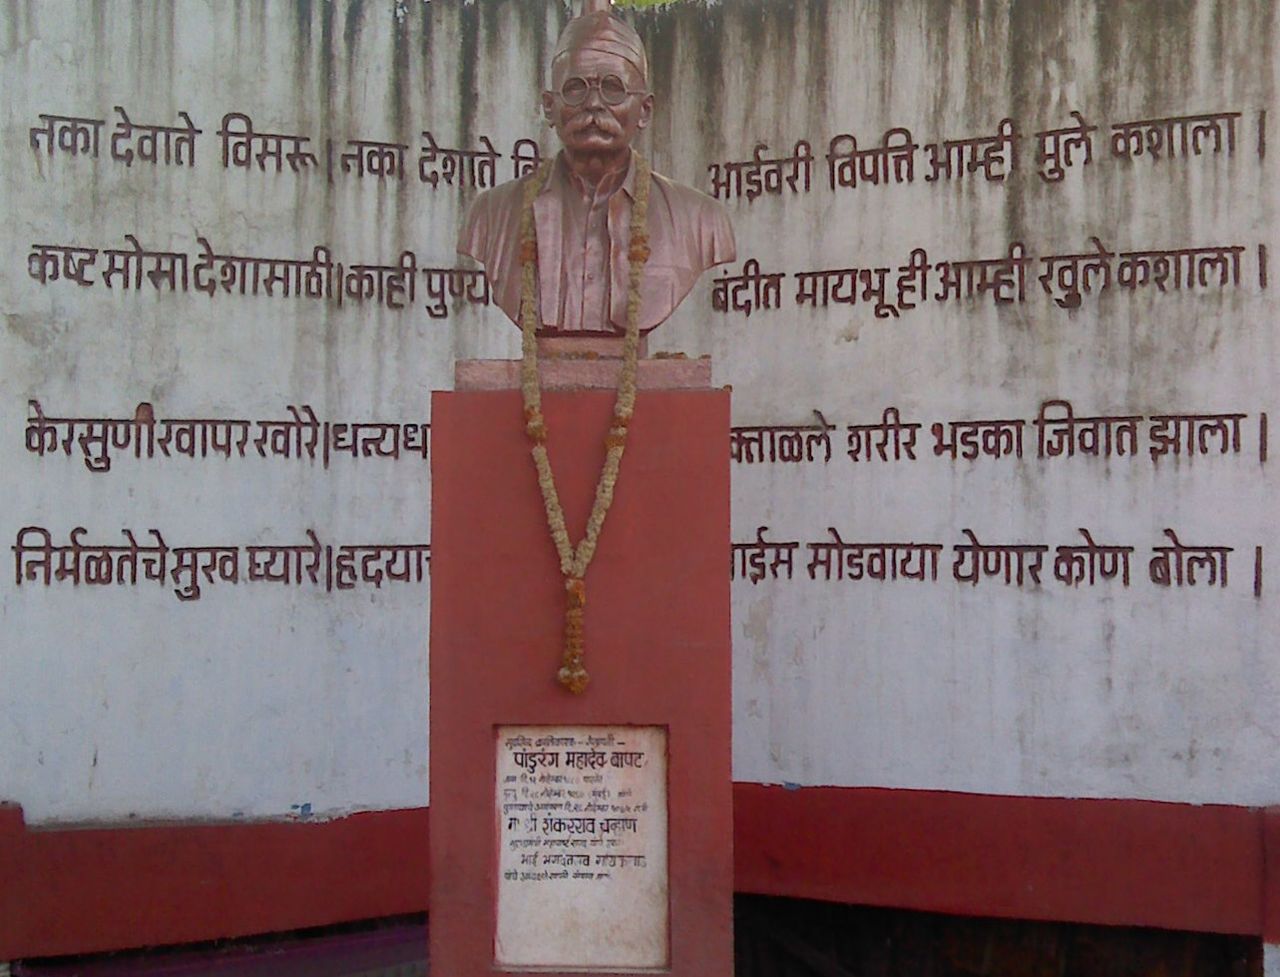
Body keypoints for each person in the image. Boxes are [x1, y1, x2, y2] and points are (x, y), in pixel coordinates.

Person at [457, 3, 735, 337]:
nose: (593, 104)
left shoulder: (700, 220)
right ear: (549, 106)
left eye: (613, 88)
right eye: (576, 88)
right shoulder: (492, 215)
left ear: (644, 110)